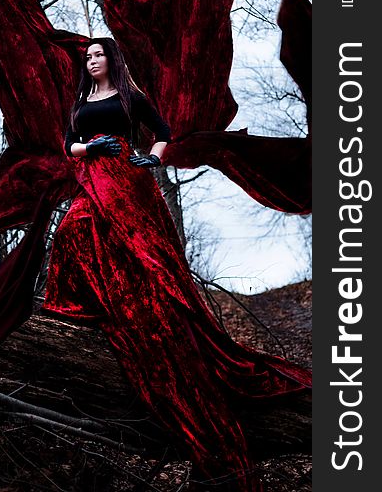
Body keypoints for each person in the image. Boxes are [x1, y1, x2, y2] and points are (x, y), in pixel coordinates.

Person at [42, 37, 311, 492]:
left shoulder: (131, 96)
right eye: (85, 56)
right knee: (74, 227)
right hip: (95, 175)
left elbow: (163, 131)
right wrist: (94, 149)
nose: (90, 61)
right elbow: (68, 145)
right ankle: (83, 297)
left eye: (97, 54)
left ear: (112, 58)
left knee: (143, 251)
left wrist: (152, 157)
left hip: (130, 177)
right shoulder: (80, 101)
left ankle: (148, 296)